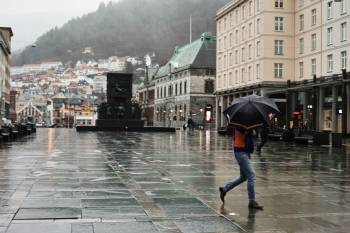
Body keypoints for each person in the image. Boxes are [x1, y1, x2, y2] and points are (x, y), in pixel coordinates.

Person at [219, 125, 264, 210]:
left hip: (244, 152)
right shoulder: (242, 126)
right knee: (251, 175)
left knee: (243, 177)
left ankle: (225, 189)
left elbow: (250, 137)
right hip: (241, 152)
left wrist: (252, 132)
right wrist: (250, 131)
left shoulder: (245, 125)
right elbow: (245, 135)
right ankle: (252, 201)